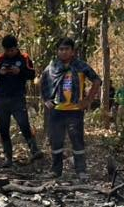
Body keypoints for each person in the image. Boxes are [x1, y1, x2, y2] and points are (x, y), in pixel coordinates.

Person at [41, 37, 101, 180]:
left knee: (77, 141)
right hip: (57, 110)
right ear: (57, 51)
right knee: (56, 141)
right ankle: (56, 170)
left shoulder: (80, 66)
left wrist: (88, 100)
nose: (63, 52)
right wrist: (46, 100)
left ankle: (81, 171)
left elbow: (97, 80)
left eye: (67, 49)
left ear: (73, 51)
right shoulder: (52, 67)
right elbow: (42, 81)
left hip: (75, 111)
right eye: (61, 49)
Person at [0, 34, 41, 166]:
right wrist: (0, 73)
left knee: (24, 125)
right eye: (7, 50)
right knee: (3, 128)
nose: (9, 53)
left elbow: (32, 74)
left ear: (16, 48)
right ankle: (8, 158)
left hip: (18, 98)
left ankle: (35, 151)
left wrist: (20, 71)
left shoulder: (25, 58)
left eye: (12, 50)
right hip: (1, 99)